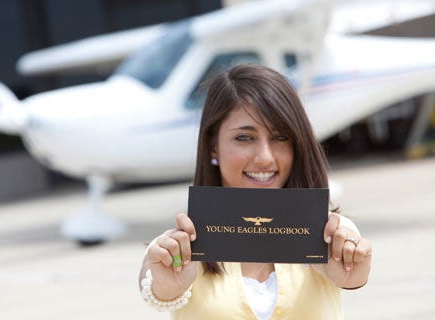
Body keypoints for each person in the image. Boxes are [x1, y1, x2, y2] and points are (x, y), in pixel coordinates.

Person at [138, 64, 372, 319]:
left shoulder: (331, 234)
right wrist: (168, 286)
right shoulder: (176, 248)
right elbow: (155, 284)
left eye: (281, 137)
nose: (265, 157)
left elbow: (351, 272)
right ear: (212, 147)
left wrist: (351, 271)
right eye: (244, 138)